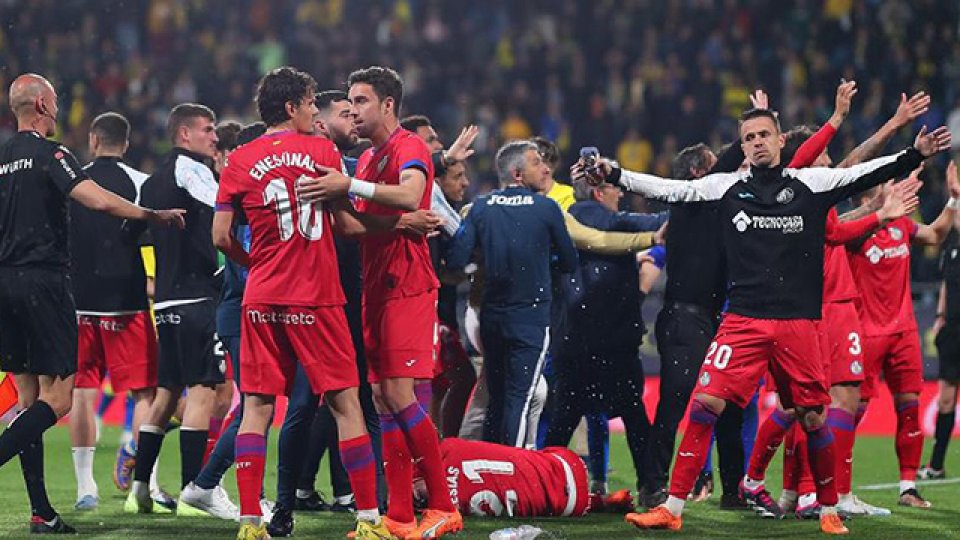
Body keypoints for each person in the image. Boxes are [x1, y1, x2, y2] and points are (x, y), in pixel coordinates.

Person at [580, 105, 950, 535]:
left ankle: (829, 508)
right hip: (743, 321)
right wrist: (614, 174)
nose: (756, 143)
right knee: (704, 407)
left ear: (779, 140)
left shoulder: (811, 183)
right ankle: (672, 508)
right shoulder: (725, 187)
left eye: (763, 135)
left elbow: (862, 175)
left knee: (812, 417)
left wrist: (915, 154)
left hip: (798, 324)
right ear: (743, 145)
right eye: (748, 138)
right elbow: (668, 189)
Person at [0, 73, 184, 534]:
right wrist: (150, 214)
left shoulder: (1, 157)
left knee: (28, 402)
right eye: (56, 100)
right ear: (41, 104)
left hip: (4, 284)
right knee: (57, 401)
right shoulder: (52, 154)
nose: (59, 107)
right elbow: (95, 199)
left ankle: (42, 511)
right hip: (43, 282)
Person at [213, 67, 392, 540]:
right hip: (315, 296)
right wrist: (401, 223)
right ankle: (370, 521)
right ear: (291, 107)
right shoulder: (321, 150)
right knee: (346, 404)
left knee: (256, 407)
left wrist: (256, 263)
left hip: (260, 297)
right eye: (312, 104)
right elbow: (346, 227)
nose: (317, 113)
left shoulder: (239, 159)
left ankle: (250, 523)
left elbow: (220, 237)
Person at [302, 65, 464, 539]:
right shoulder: (371, 159)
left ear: (388, 104)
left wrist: (348, 186)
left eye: (361, 100)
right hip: (376, 288)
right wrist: (383, 215)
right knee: (380, 398)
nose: (352, 108)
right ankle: (398, 515)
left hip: (408, 286)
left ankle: (442, 504)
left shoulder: (408, 148)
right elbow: (350, 228)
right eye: (349, 101)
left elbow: (414, 193)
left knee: (397, 396)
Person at [126, 102, 226, 515]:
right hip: (197, 295)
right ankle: (192, 491)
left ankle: (140, 489)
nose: (214, 136)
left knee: (166, 393)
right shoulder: (194, 170)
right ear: (185, 135)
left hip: (165, 300)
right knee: (203, 389)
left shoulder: (150, 183)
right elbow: (225, 211)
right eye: (208, 129)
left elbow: (136, 232)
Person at [446, 139, 578, 449]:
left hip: (491, 315)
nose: (545, 168)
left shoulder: (480, 207)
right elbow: (570, 261)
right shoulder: (547, 208)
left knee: (497, 396)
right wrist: (541, 260)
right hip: (530, 317)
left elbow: (456, 260)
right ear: (518, 174)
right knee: (521, 397)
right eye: (536, 163)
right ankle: (510, 477)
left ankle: (489, 468)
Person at [545, 177, 667, 499]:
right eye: (615, 188)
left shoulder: (567, 217)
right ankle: (651, 485)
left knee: (565, 417)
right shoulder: (597, 215)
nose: (621, 193)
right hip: (608, 341)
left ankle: (541, 483)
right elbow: (635, 222)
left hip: (575, 338)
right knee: (634, 414)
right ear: (600, 193)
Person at [848, 161, 960, 509]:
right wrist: (873, 208)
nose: (895, 187)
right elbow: (834, 225)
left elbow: (936, 234)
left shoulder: (901, 224)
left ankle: (908, 487)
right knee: (852, 412)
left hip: (903, 331)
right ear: (872, 192)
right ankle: (837, 489)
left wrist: (954, 200)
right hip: (865, 332)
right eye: (888, 183)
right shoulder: (855, 228)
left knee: (909, 407)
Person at [68, 112, 159, 511]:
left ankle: (84, 487)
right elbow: (151, 237)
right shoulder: (141, 184)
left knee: (82, 390)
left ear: (93, 140)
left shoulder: (71, 180)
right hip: (127, 299)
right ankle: (144, 485)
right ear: (127, 142)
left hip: (78, 301)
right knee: (145, 393)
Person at [179, 122, 266, 522]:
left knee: (249, 404)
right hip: (243, 310)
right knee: (253, 405)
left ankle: (228, 488)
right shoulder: (243, 200)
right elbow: (243, 263)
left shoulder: (242, 197)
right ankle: (210, 485)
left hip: (241, 309)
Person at [434, 437, 590, 518]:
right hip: (569, 466)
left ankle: (599, 500)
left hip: (570, 507)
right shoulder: (449, 447)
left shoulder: (442, 508)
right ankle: (599, 498)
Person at [922, 208, 960, 480]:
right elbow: (947, 283)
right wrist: (939, 315)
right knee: (946, 397)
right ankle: (936, 465)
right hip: (953, 330)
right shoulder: (950, 247)